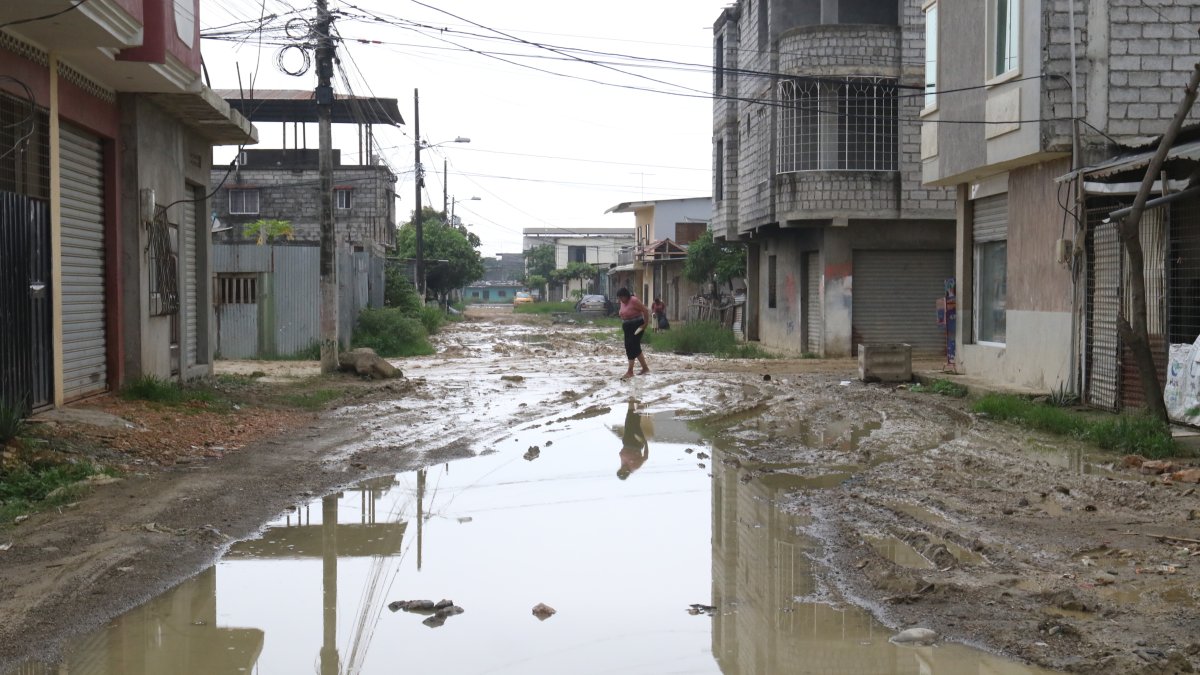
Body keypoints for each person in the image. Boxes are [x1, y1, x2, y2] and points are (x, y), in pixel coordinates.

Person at [615, 287, 651, 379]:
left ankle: (630, 371)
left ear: (626, 296)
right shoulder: (622, 302)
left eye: (621, 297)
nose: (620, 300)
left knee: (631, 346)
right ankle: (645, 368)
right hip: (627, 327)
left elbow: (645, 310)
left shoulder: (634, 300)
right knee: (632, 346)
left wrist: (645, 324)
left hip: (637, 325)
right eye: (619, 298)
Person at [617, 399, 649, 480]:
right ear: (626, 472)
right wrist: (645, 443)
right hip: (636, 443)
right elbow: (645, 457)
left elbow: (622, 455)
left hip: (627, 442)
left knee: (628, 421)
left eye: (620, 470)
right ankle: (640, 405)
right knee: (635, 423)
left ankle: (631, 402)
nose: (621, 468)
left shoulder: (623, 465)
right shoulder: (635, 466)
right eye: (622, 471)